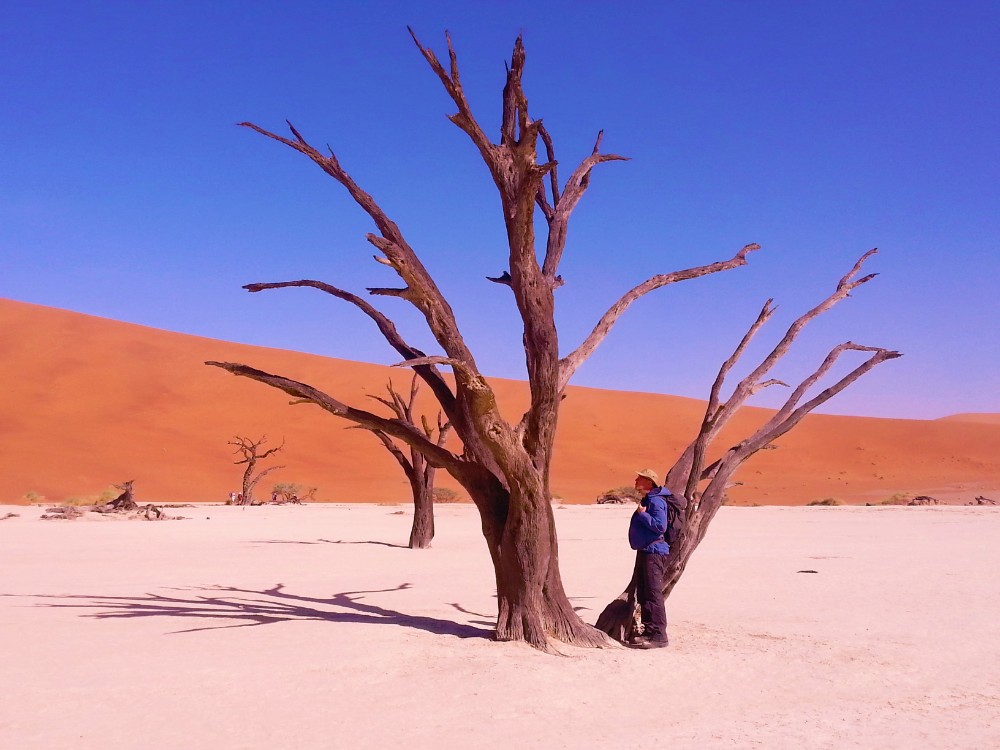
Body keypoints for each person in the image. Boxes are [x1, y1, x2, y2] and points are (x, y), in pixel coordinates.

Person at [628, 468, 673, 648]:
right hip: (647, 550)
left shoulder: (656, 501)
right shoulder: (649, 499)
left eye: (639, 478)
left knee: (653, 593)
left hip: (654, 551)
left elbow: (660, 526)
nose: (636, 480)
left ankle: (659, 636)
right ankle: (649, 630)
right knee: (645, 592)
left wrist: (642, 514)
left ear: (648, 481)